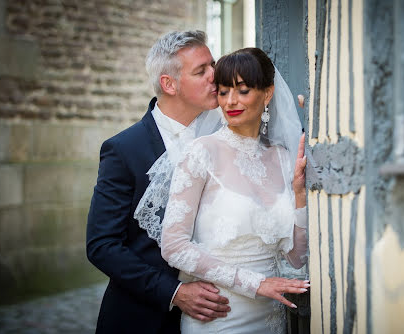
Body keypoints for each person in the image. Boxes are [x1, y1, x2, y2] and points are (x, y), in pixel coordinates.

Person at [136, 47, 310, 334]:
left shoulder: (282, 157)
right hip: (219, 315)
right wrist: (256, 284)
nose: (231, 101)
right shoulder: (202, 152)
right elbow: (174, 246)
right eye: (224, 91)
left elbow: (295, 257)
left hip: (271, 316)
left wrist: (300, 197)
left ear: (267, 94)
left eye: (242, 91)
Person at [86, 30, 230, 334]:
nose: (214, 76)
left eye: (213, 64)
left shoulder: (229, 132)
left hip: (224, 314)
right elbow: (102, 245)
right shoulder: (123, 150)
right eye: (201, 70)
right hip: (144, 318)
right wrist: (174, 292)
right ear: (169, 84)